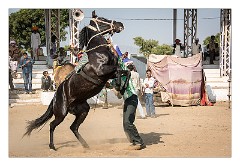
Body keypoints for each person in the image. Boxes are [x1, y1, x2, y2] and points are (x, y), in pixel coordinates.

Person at [107, 50, 145, 150]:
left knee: (128, 123)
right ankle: (133, 141)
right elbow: (119, 95)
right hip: (127, 100)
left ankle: (139, 142)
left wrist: (111, 46)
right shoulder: (115, 80)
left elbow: (118, 58)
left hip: (132, 98)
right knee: (125, 123)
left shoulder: (123, 70)